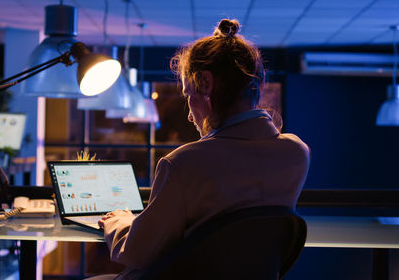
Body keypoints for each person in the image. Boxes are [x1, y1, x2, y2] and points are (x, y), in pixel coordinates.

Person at [94, 18, 310, 280]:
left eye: (188, 95)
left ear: (206, 84)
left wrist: (119, 220)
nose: (188, 115)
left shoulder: (184, 163)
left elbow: (138, 253)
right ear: (259, 85)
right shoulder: (296, 154)